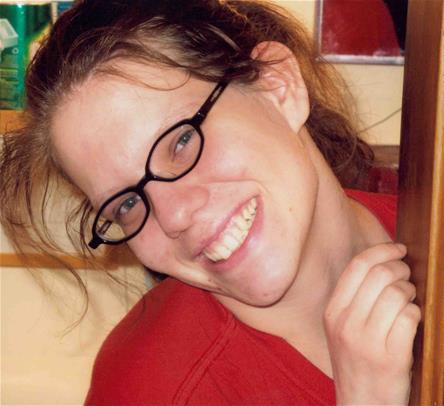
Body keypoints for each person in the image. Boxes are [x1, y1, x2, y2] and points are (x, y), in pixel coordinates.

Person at [0, 0, 420, 404]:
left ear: (278, 86)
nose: (173, 216)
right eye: (126, 205)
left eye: (181, 141)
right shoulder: (150, 390)